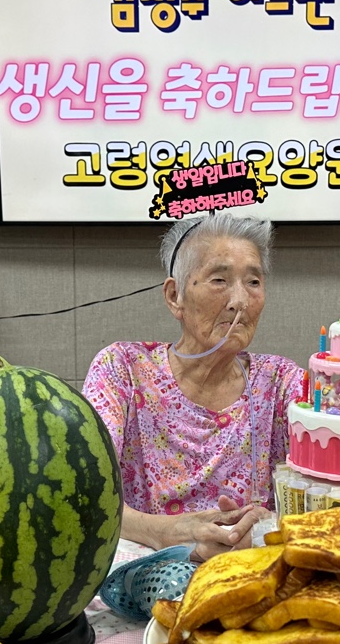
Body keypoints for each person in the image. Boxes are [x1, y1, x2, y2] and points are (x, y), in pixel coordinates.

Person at [82, 212, 303, 562]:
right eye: (219, 280)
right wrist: (168, 532)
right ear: (175, 296)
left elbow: (326, 497)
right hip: (143, 576)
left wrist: (267, 526)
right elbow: (84, 497)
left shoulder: (280, 383)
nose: (240, 301)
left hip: (248, 575)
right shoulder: (122, 370)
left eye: (253, 281)